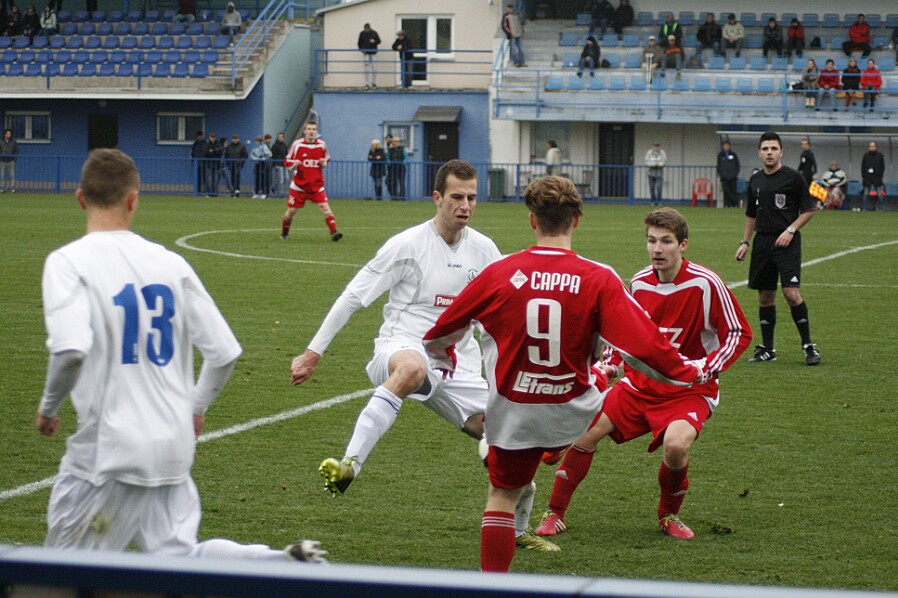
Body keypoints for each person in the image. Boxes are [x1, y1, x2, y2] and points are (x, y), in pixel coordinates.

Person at [36, 148, 327, 564]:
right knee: (180, 555)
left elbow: (69, 350)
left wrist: (48, 409)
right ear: (134, 199)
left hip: (107, 456)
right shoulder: (170, 263)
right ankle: (277, 561)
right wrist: (195, 407)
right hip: (171, 450)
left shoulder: (68, 262)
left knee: (56, 573)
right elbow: (224, 352)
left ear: (80, 198)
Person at [422, 179, 707, 572]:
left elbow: (439, 334)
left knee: (502, 497)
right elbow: (643, 346)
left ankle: (492, 586)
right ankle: (554, 444)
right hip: (574, 406)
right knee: (600, 384)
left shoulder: (499, 272)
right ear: (576, 220)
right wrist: (686, 373)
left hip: (514, 407)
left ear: (532, 220)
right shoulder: (599, 277)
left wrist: (444, 357)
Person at [292, 160, 557, 553]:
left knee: (510, 441)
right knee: (414, 368)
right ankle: (349, 464)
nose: (465, 205)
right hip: (402, 346)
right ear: (437, 198)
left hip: (457, 368)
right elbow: (353, 296)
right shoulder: (407, 245)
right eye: (456, 197)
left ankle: (519, 532)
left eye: (471, 198)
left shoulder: (484, 250)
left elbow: (506, 316)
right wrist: (313, 352)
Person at [534, 207, 751, 542]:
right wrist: (608, 364)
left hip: (688, 391)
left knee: (676, 446)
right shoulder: (638, 283)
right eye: (651, 241)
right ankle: (555, 513)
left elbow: (738, 332)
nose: (657, 249)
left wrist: (705, 368)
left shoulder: (706, 284)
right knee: (584, 434)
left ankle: (668, 515)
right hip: (638, 386)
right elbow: (624, 336)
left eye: (666, 241)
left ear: (683, 245)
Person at [736, 131, 820, 366]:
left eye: (773, 149)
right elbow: (751, 214)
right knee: (765, 297)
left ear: (781, 152)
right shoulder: (755, 180)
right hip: (762, 243)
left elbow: (808, 210)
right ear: (759, 153)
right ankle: (768, 349)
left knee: (791, 294)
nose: (769, 153)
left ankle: (808, 346)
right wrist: (745, 242)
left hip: (787, 243)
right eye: (765, 149)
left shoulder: (794, 178)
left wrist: (790, 230)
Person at [281, 121, 342, 241]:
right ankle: (284, 234)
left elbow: (327, 158)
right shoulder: (297, 145)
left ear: (316, 131)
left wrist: (324, 163)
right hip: (299, 186)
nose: (311, 132)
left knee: (325, 208)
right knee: (292, 211)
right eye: (309, 129)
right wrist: (294, 163)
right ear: (305, 131)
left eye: (314, 129)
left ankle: (334, 233)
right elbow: (287, 161)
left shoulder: (322, 145)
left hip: (316, 185)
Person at [860, 141, 886, 212]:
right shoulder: (866, 155)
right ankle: (865, 208)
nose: (872, 147)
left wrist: (880, 175)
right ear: (869, 147)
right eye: (871, 146)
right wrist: (864, 176)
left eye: (873, 146)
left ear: (876, 147)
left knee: (879, 194)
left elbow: (882, 167)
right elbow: (863, 166)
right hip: (867, 178)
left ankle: (880, 208)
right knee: (865, 194)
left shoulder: (880, 155)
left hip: (877, 178)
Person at [717, 139, 740, 208]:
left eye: (728, 145)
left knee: (733, 190)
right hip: (724, 178)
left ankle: (733, 204)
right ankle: (729, 204)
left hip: (733, 177)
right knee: (726, 191)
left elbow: (737, 165)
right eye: (725, 145)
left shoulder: (734, 155)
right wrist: (721, 174)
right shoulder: (720, 155)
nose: (726, 147)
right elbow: (719, 166)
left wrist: (735, 174)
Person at [357, 23, 381, 90]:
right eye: (365, 29)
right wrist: (362, 50)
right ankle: (367, 84)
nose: (366, 30)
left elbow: (379, 41)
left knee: (374, 68)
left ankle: (374, 83)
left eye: (367, 29)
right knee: (366, 69)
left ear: (369, 28)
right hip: (366, 53)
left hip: (373, 53)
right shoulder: (362, 33)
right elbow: (359, 43)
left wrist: (374, 41)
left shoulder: (374, 33)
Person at [502, 4, 526, 68]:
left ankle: (522, 62)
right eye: (509, 8)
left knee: (521, 49)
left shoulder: (516, 15)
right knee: (513, 50)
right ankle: (516, 62)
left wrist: (522, 32)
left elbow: (520, 24)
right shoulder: (506, 16)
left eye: (511, 8)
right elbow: (504, 26)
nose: (510, 9)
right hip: (512, 35)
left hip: (519, 35)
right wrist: (509, 33)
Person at [204, 132, 223, 197]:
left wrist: (212, 151)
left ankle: (214, 193)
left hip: (216, 165)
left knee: (215, 180)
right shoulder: (206, 144)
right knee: (209, 179)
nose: (213, 138)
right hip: (208, 164)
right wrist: (215, 151)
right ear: (209, 137)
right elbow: (205, 153)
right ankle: (208, 193)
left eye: (214, 137)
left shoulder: (218, 144)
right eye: (212, 137)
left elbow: (220, 152)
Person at [269, 132, 288, 197]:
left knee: (286, 178)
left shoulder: (285, 145)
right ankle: (280, 193)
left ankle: (275, 188)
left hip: (284, 164)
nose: (280, 138)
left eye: (282, 137)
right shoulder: (275, 146)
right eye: (279, 137)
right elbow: (273, 156)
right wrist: (276, 164)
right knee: (280, 179)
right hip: (278, 164)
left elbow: (286, 154)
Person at [189, 130, 207, 196]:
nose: (201, 137)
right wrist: (193, 161)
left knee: (205, 178)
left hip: (204, 163)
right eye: (199, 136)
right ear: (197, 136)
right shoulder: (195, 144)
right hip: (197, 164)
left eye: (201, 136)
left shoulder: (206, 143)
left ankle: (205, 192)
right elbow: (191, 153)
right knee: (198, 178)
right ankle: (198, 192)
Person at [0, 128, 18, 193]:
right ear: (5, 134)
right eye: (7, 134)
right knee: (2, 175)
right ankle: (2, 188)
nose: (9, 135)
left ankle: (12, 188)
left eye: (10, 134)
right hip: (3, 160)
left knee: (12, 175)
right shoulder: (1, 141)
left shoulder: (14, 141)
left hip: (11, 160)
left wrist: (14, 159)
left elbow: (16, 150)